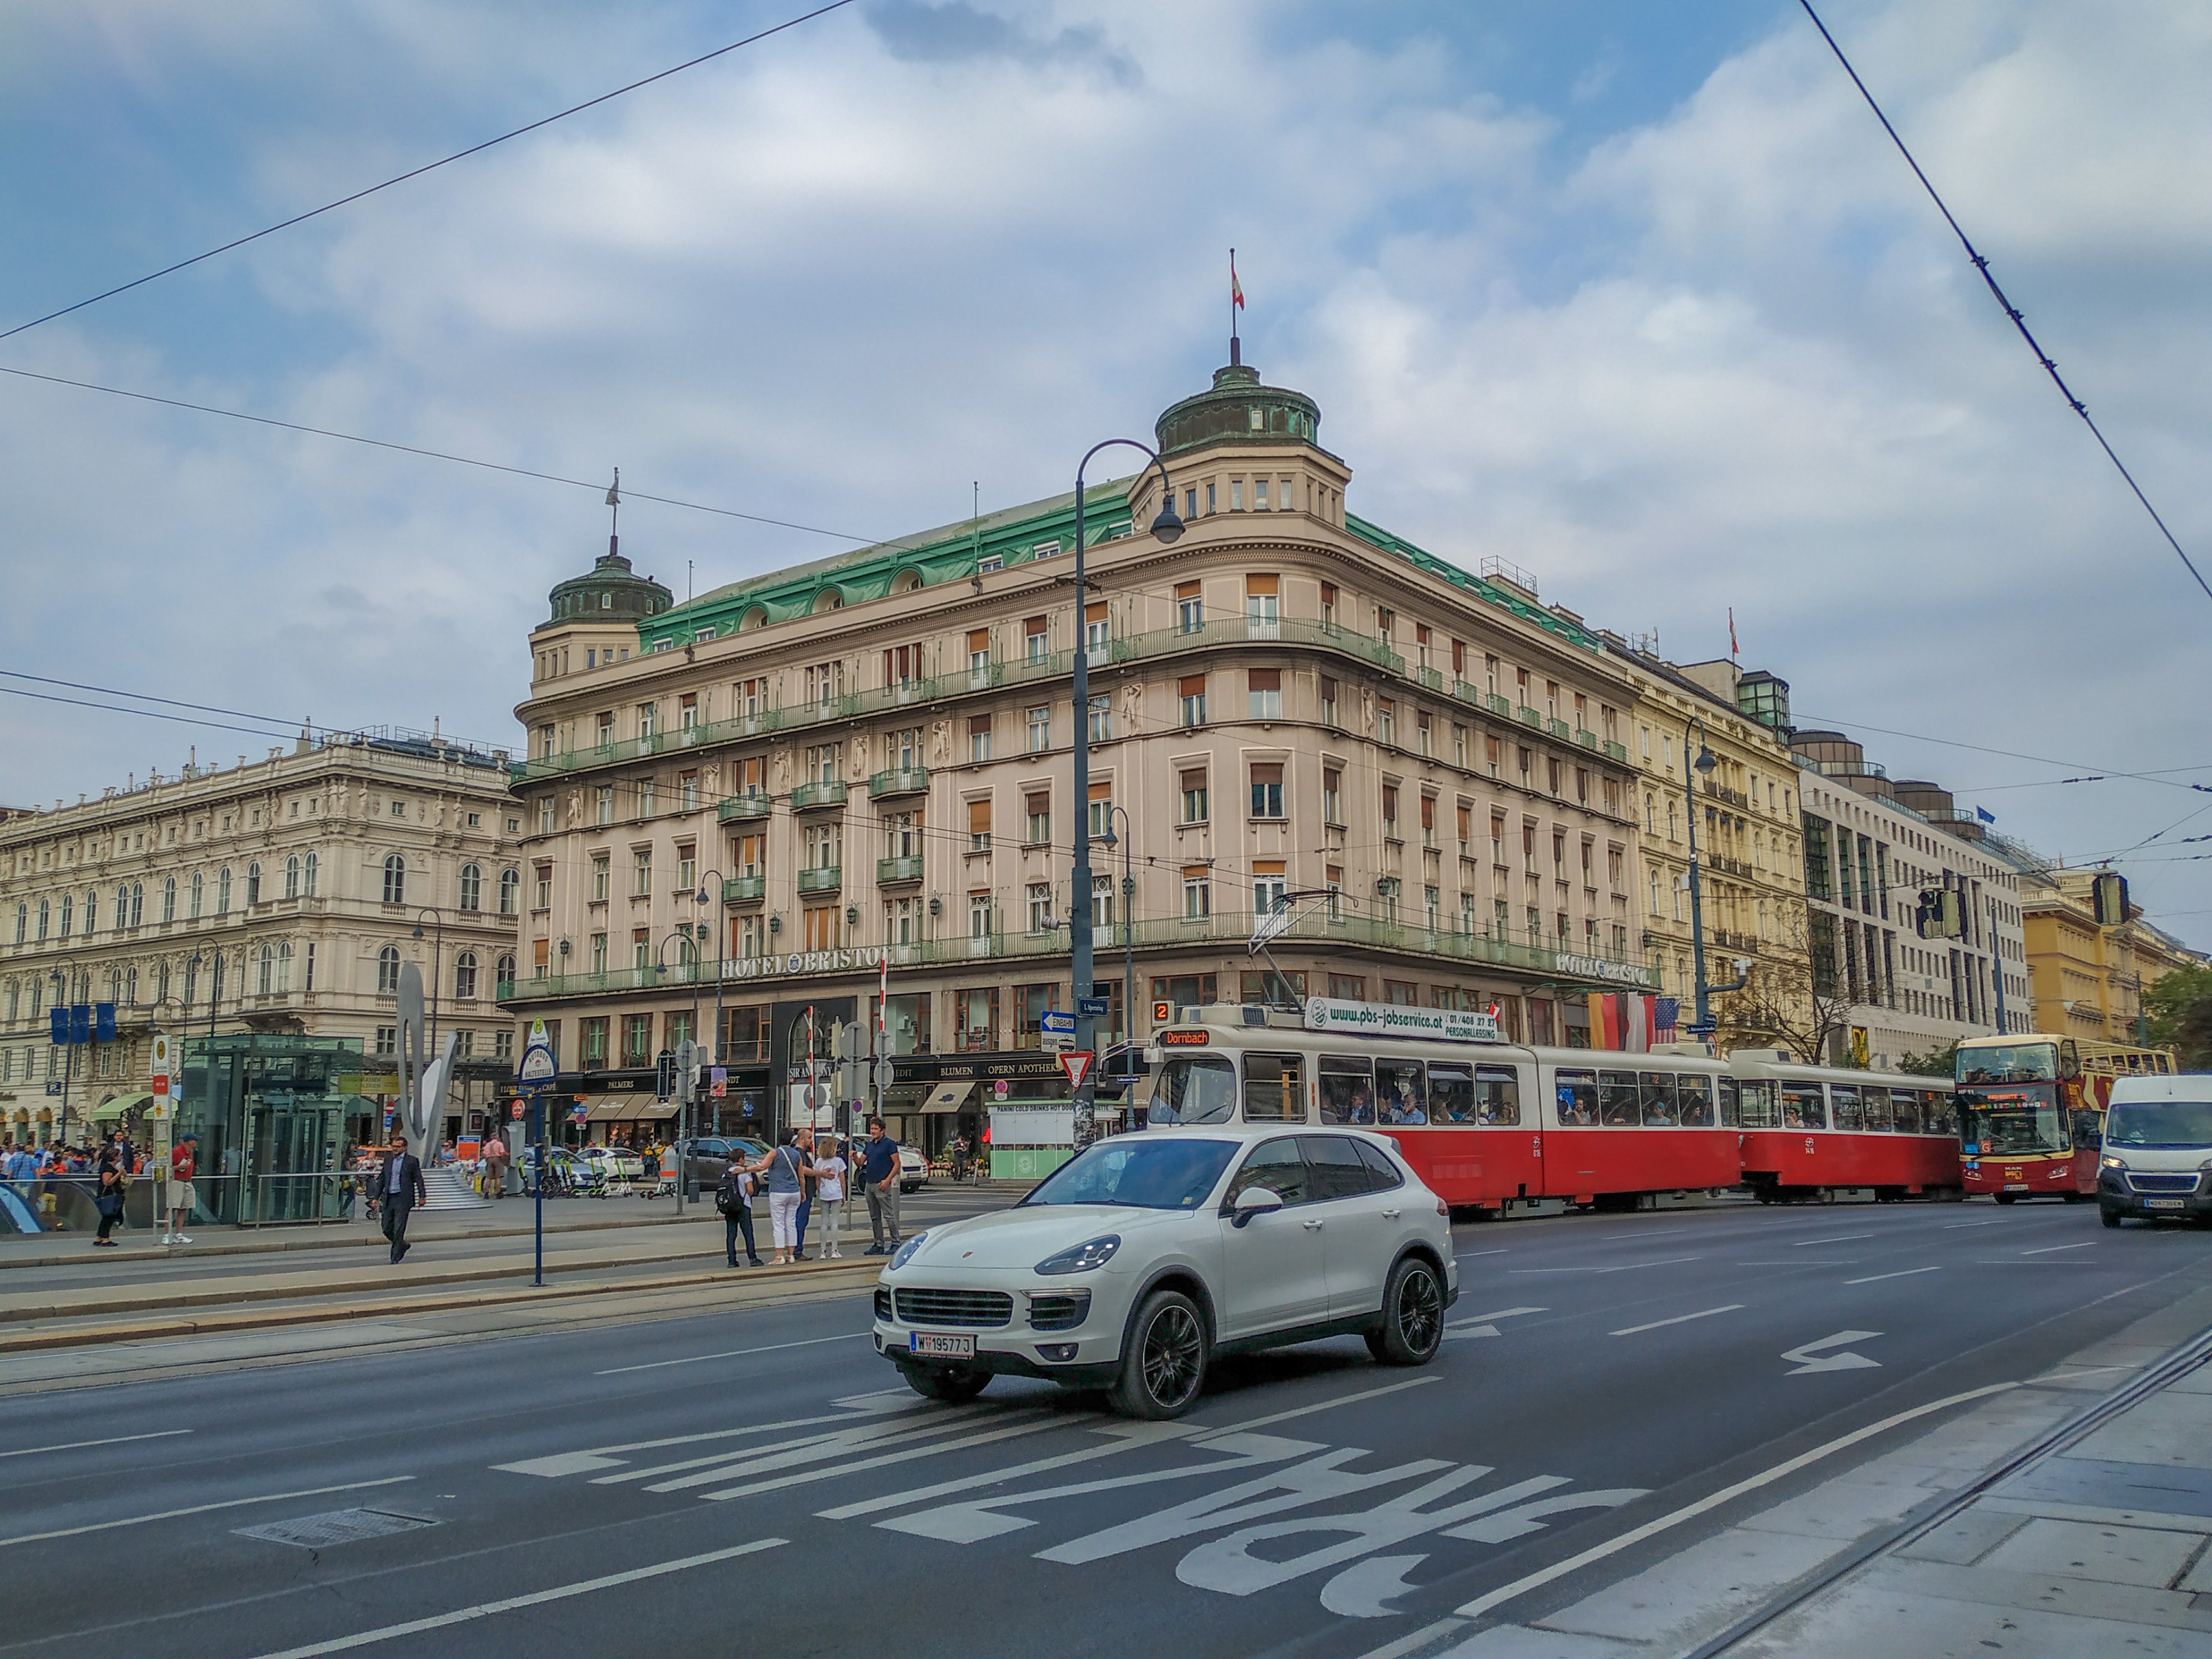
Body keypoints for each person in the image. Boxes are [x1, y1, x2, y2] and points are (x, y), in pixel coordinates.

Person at [378, 1134, 427, 1264]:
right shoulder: (388, 1160)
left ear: (405, 1148)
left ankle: (394, 1257)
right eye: (394, 1146)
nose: (395, 1149)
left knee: (398, 1228)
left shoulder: (412, 1161)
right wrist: (375, 1197)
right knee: (386, 1227)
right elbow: (383, 1178)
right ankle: (403, 1245)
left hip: (403, 1198)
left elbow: (418, 1179)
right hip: (389, 1197)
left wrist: (422, 1196)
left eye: (398, 1147)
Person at [763, 1129, 809, 1266]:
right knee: (791, 1224)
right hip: (794, 1192)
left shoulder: (774, 1153)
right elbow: (801, 1175)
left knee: (779, 1225)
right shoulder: (797, 1154)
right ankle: (791, 1255)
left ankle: (779, 1256)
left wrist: (745, 1170)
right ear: (791, 1140)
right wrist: (803, 1191)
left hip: (778, 1192)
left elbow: (763, 1166)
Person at [717, 1146, 767, 1268]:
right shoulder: (745, 1172)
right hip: (743, 1205)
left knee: (731, 1234)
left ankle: (732, 1260)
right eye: (744, 1158)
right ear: (741, 1159)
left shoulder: (727, 1173)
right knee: (748, 1233)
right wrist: (748, 1195)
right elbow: (750, 1190)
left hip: (729, 1206)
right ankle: (753, 1258)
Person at [860, 1117, 902, 1256]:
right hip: (870, 1183)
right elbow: (861, 1162)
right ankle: (879, 1244)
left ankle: (896, 1242)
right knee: (874, 1216)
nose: (873, 1132)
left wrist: (887, 1180)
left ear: (882, 1130)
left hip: (882, 1183)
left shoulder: (889, 1144)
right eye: (872, 1129)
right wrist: (854, 1156)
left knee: (889, 1215)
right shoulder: (870, 1145)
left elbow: (896, 1163)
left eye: (876, 1129)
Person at [811, 1134, 849, 1260]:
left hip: (824, 1193)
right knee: (835, 1223)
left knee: (824, 1222)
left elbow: (817, 1178)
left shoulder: (819, 1162)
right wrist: (844, 1195)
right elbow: (842, 1179)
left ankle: (822, 1251)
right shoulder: (838, 1162)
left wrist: (819, 1190)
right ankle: (834, 1250)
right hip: (836, 1193)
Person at [165, 1132, 198, 1245]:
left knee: (183, 1208)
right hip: (177, 1181)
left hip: (187, 1181)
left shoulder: (189, 1153)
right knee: (172, 1207)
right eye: (195, 1140)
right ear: (190, 1141)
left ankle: (179, 1234)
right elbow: (168, 1167)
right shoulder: (177, 1152)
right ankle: (167, 1235)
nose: (196, 1143)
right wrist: (180, 1167)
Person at [92, 1160, 125, 1247]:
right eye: (118, 1155)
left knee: (107, 1217)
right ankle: (105, 1238)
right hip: (109, 1196)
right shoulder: (107, 1168)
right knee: (109, 1216)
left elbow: (125, 1174)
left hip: (114, 1195)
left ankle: (99, 1237)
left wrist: (121, 1172)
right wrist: (118, 1174)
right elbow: (107, 1182)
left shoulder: (115, 1167)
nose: (120, 1157)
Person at [482, 1128, 509, 1199]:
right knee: (498, 1177)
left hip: (489, 1159)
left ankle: (486, 1192)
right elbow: (502, 1153)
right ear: (497, 1137)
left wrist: (487, 1160)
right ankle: (497, 1192)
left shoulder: (488, 1145)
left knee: (489, 1177)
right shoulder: (499, 1144)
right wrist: (504, 1160)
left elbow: (484, 1154)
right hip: (498, 1159)